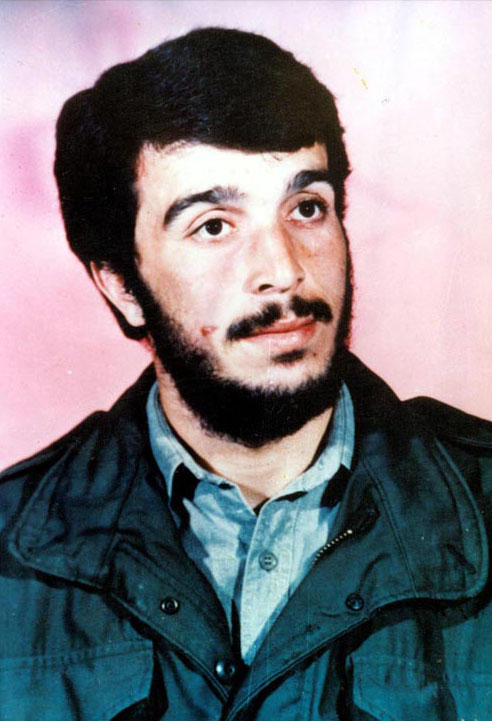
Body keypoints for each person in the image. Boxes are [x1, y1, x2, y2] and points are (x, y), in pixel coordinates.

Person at [1, 26, 491, 721]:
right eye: (214, 225)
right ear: (122, 285)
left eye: (306, 208)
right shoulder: (11, 548)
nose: (284, 270)